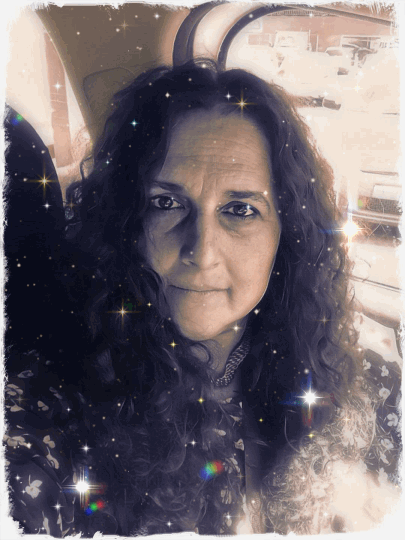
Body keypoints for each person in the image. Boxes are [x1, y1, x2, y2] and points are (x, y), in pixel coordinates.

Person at [5, 60, 401, 537]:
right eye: (166, 203)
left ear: (286, 234)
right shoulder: (48, 419)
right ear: (124, 223)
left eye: (240, 209)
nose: (202, 251)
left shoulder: (369, 389)